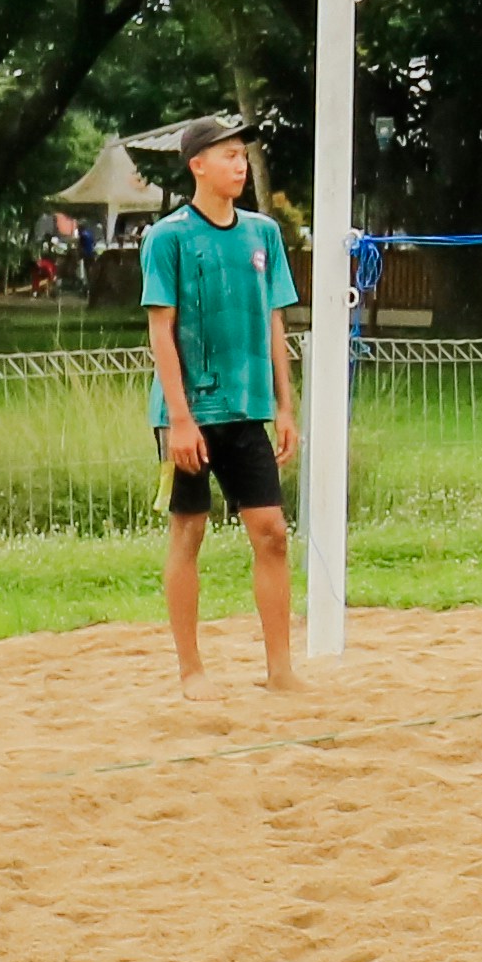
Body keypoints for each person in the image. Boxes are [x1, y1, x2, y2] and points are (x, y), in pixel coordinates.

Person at [142, 120, 302, 690]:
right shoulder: (168, 237)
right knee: (190, 531)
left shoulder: (263, 235)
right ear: (198, 166)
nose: (240, 165)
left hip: (246, 408)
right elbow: (162, 330)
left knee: (272, 533)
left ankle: (280, 670)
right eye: (229, 156)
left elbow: (276, 321)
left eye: (243, 156)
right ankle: (191, 670)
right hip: (187, 415)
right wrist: (179, 419)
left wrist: (286, 407)